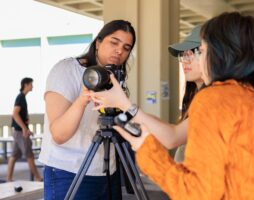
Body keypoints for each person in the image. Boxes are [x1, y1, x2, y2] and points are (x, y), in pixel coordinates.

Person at [111, 12, 254, 199]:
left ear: (222, 54)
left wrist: (146, 149)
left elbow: (198, 193)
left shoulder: (214, 99)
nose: (194, 59)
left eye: (201, 51)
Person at [38, 20, 136, 200]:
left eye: (126, 47)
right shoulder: (67, 70)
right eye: (114, 42)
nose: (120, 51)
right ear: (98, 43)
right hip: (68, 171)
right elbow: (59, 134)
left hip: (107, 170)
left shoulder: (113, 79)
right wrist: (83, 99)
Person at [89, 26, 204, 163]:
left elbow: (173, 138)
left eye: (194, 52)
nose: (186, 59)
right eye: (183, 54)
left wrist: (124, 104)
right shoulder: (196, 96)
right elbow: (175, 130)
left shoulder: (215, 99)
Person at [7, 77, 42, 182]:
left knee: (14, 155)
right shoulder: (20, 97)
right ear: (25, 85)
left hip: (18, 132)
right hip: (20, 133)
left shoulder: (22, 97)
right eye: (31, 84)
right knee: (29, 155)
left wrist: (26, 128)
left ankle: (9, 179)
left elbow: (20, 116)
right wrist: (24, 129)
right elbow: (15, 114)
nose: (33, 86)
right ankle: (37, 178)